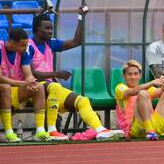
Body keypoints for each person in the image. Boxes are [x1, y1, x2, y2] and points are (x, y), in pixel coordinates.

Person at [27, 12, 118, 141]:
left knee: (83, 101)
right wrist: (56, 74)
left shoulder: (50, 43)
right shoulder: (29, 46)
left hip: (51, 87)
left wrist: (81, 17)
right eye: (47, 28)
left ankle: (100, 130)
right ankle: (52, 130)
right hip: (34, 88)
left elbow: (76, 41)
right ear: (36, 30)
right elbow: (31, 74)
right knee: (55, 86)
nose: (50, 31)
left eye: (51, 28)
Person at [113, 59, 164, 140]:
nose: (133, 77)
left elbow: (159, 92)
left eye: (136, 74)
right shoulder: (120, 88)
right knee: (142, 93)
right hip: (135, 129)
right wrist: (152, 82)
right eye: (129, 74)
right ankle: (149, 131)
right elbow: (133, 91)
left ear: (140, 76)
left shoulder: (146, 88)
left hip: (154, 125)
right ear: (123, 76)